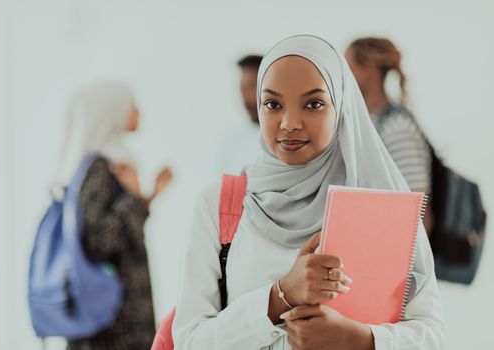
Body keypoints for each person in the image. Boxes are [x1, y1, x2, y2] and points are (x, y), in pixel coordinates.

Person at [172, 35, 444, 349]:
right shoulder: (220, 203)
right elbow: (189, 340)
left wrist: (360, 339)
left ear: (340, 106)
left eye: (313, 104)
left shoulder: (380, 204)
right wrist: (279, 298)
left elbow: (433, 335)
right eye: (273, 104)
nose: (289, 123)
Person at [56, 81, 173, 350]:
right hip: (112, 323)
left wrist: (147, 197)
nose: (139, 113)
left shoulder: (113, 161)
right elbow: (99, 241)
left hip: (119, 315)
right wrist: (134, 198)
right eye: (132, 106)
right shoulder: (102, 167)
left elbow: (120, 228)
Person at [345, 38, 431, 196]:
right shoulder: (369, 123)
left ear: (368, 68)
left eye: (348, 66)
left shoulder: (397, 127)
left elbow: (416, 203)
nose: (343, 75)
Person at [215, 55, 263, 175]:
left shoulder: (291, 138)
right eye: (242, 89)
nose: (246, 98)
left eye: (252, 87)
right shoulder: (231, 143)